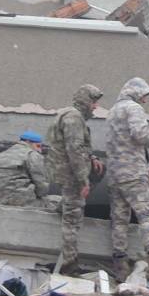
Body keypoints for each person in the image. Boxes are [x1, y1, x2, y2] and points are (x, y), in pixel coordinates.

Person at [105, 77, 149, 282]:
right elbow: (140, 135)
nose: (145, 100)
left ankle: (120, 268)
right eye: (144, 95)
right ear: (136, 92)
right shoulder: (133, 108)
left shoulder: (112, 111)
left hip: (115, 174)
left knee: (119, 220)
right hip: (133, 172)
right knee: (146, 216)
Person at [46, 84, 105, 275]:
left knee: (71, 208)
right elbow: (74, 150)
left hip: (70, 172)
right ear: (85, 101)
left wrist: (92, 158)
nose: (95, 107)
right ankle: (69, 264)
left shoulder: (72, 116)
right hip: (72, 175)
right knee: (72, 218)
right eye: (94, 102)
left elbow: (80, 148)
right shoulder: (73, 118)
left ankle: (61, 207)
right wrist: (83, 180)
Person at [0, 131, 52, 209]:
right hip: (21, 202)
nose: (40, 150)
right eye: (38, 146)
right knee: (56, 202)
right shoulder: (32, 154)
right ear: (28, 142)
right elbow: (41, 185)